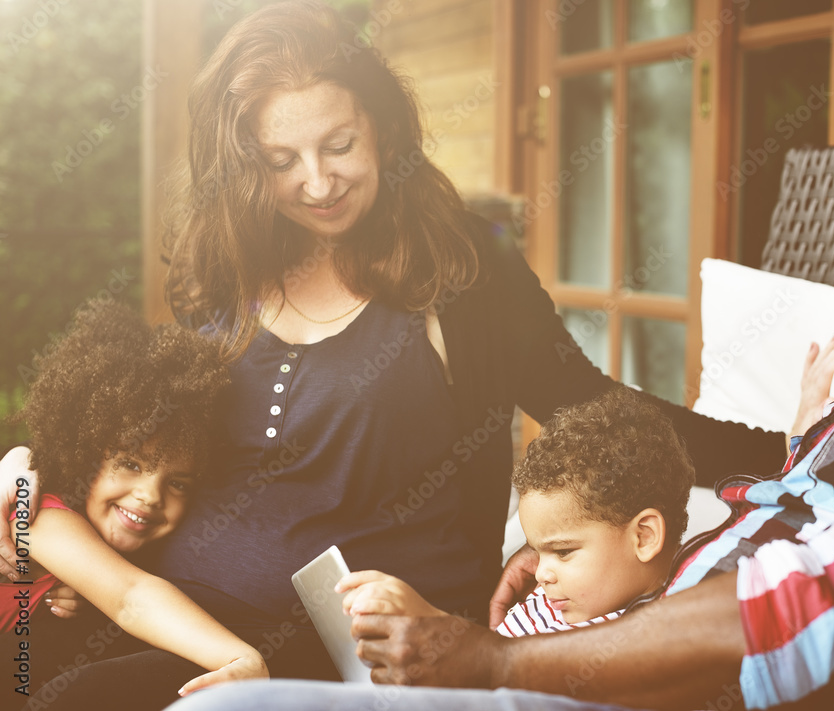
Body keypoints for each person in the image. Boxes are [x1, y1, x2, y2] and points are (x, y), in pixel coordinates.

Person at [0, 2, 793, 707]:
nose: (318, 182)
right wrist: (30, 485)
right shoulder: (223, 274)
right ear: (243, 168)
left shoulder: (462, 275)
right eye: (280, 162)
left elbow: (593, 404)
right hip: (173, 611)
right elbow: (144, 441)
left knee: (74, 697)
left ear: (380, 123)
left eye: (339, 143)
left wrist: (793, 451)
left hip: (345, 644)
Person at [162, 93, 834, 711]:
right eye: (279, 161)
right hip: (610, 622)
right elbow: (800, 503)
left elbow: (800, 606)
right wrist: (589, 548)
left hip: (632, 672)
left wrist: (493, 662)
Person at [1, 299, 268, 700]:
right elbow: (130, 596)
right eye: (130, 462)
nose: (149, 495)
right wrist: (239, 658)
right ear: (85, 450)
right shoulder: (35, 512)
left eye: (178, 483)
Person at [337, 386, 695, 637]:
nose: (540, 575)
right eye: (537, 551)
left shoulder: (656, 637)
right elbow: (490, 662)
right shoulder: (550, 603)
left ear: (644, 536)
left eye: (563, 551)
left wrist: (431, 624)